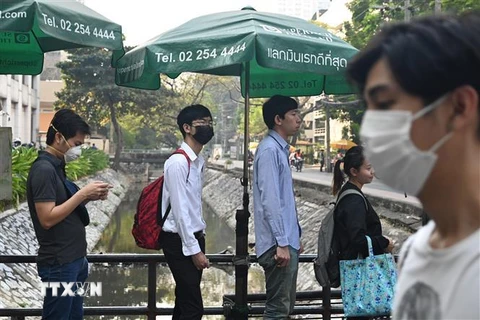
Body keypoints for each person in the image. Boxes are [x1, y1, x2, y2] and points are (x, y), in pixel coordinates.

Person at [346, 12, 479, 320]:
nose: (371, 127)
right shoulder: (415, 251)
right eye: (369, 109)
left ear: (459, 107)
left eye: (386, 105)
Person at [26, 109, 111, 320]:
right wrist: (82, 193)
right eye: (76, 144)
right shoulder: (44, 170)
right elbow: (47, 218)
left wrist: (87, 197)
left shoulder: (56, 168)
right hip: (60, 263)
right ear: (58, 137)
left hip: (74, 260)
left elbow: (63, 207)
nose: (79, 150)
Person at [253, 95, 303, 318]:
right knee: (277, 310)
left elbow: (284, 201)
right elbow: (271, 200)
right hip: (277, 246)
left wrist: (294, 237)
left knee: (285, 308)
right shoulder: (269, 150)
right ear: (278, 119)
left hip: (285, 242)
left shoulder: (279, 149)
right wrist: (282, 242)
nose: (299, 119)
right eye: (293, 114)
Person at [161, 104, 213, 319]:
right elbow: (181, 211)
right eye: (202, 123)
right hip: (179, 241)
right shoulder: (178, 163)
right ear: (187, 128)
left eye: (210, 122)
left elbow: (191, 207)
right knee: (193, 308)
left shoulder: (197, 161)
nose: (208, 127)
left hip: (193, 238)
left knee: (184, 302)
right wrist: (194, 250)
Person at [332, 146, 393, 320]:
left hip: (355, 268)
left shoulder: (349, 193)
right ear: (353, 171)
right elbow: (358, 239)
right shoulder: (354, 200)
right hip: (361, 270)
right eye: (368, 168)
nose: (372, 172)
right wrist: (384, 243)